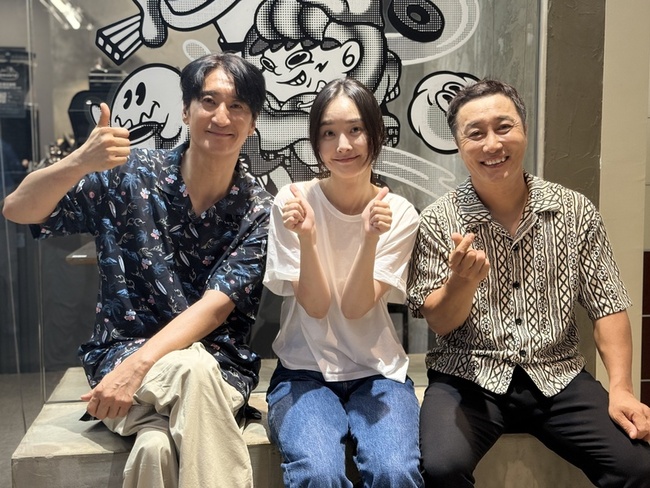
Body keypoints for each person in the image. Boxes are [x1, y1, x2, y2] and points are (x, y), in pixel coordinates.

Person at [2, 52, 272, 488]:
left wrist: (137, 370)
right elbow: (17, 209)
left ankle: (152, 423)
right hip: (121, 357)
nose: (222, 116)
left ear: (253, 122)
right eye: (209, 101)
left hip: (215, 366)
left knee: (155, 445)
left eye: (237, 105)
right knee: (192, 372)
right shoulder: (130, 175)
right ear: (185, 110)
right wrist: (79, 161)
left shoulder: (259, 211)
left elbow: (215, 309)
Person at [407, 78, 650, 487]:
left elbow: (607, 305)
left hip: (558, 374)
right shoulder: (438, 220)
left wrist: (622, 388)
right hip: (468, 376)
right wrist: (461, 284)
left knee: (639, 466)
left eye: (504, 127)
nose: (492, 144)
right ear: (458, 145)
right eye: (475, 133)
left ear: (523, 128)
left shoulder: (574, 211)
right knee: (442, 467)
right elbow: (440, 321)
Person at [263, 77, 424, 488]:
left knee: (395, 472)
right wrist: (307, 238)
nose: (343, 145)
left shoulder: (398, 212)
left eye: (355, 130)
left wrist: (370, 238)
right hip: (303, 371)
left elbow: (355, 308)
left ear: (375, 134)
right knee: (318, 474)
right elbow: (316, 306)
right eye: (328, 133)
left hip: (378, 373)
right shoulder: (293, 202)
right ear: (315, 143)